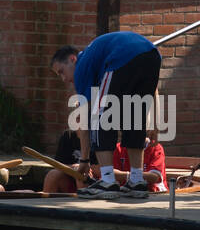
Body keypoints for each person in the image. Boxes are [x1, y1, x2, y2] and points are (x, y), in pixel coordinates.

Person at [50, 31, 161, 200]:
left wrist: (85, 160)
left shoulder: (81, 66)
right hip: (152, 56)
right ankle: (137, 182)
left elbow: (87, 120)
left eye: (61, 72)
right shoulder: (96, 59)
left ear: (73, 59)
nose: (64, 79)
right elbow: (154, 89)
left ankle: (108, 181)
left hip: (123, 58)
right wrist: (155, 121)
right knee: (133, 119)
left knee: (101, 117)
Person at [44, 128, 97, 194]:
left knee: (81, 174)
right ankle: (47, 201)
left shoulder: (97, 136)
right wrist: (74, 168)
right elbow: (58, 165)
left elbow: (103, 168)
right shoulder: (68, 135)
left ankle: (84, 201)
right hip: (69, 179)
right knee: (53, 174)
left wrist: (85, 168)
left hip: (93, 179)